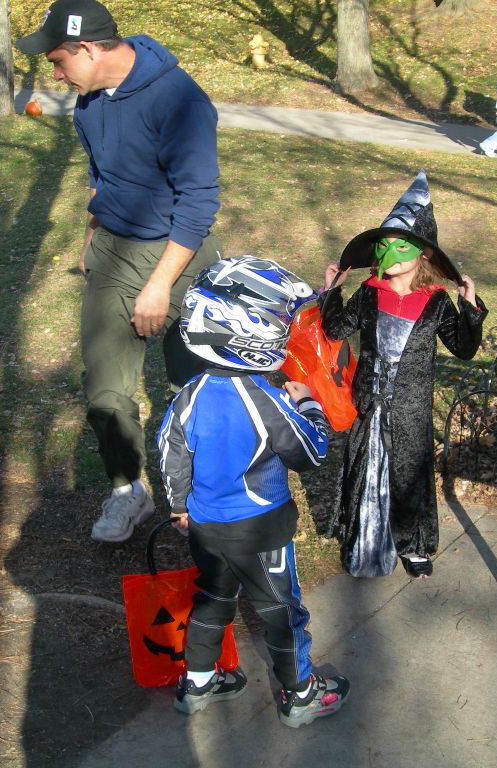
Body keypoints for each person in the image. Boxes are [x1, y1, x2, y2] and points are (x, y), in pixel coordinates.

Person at [16, 0, 224, 543]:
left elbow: (199, 201)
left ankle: (205, 497)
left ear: (88, 49)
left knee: (197, 387)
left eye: (59, 61)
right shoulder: (89, 102)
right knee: (104, 385)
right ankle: (127, 490)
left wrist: (159, 285)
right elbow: (100, 173)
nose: (56, 76)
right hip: (115, 250)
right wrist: (91, 236)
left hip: (180, 255)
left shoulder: (179, 100)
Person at [158, 256, 350, 729]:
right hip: (261, 530)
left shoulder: (188, 396)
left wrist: (179, 506)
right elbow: (309, 452)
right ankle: (300, 694)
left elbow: (170, 453)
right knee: (282, 611)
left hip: (206, 527)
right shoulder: (267, 400)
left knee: (212, 600)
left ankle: (198, 683)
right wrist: (310, 403)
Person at [321, 171, 487, 579]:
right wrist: (331, 291)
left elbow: (464, 349)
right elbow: (335, 330)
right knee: (365, 469)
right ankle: (362, 538)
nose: (390, 254)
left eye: (401, 245)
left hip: (410, 408)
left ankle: (413, 544)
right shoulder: (369, 293)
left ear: (423, 253)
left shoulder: (436, 302)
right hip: (369, 402)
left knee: (409, 474)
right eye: (384, 245)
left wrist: (470, 308)